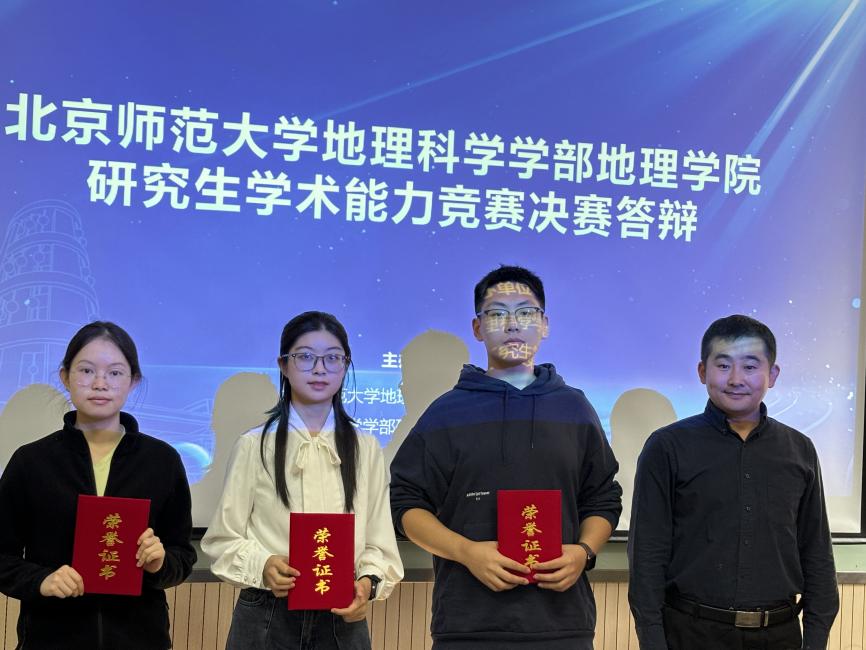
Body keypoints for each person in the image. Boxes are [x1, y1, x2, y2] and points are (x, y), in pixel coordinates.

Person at [389, 265, 622, 649]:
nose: (513, 324)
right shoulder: (446, 412)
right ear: (478, 328)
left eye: (525, 313)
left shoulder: (575, 409)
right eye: (497, 314)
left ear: (544, 325)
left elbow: (603, 497)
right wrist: (466, 552)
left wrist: (583, 552)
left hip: (563, 624)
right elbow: (406, 504)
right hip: (467, 625)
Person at [628, 314, 839, 650]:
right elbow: (647, 557)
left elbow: (817, 554)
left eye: (750, 366)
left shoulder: (799, 450)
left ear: (772, 374)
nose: (736, 379)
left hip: (780, 635)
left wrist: (815, 640)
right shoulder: (667, 447)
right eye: (723, 365)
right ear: (702, 371)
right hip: (691, 633)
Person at [202, 311, 403, 650]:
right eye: (306, 357)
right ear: (284, 365)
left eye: (332, 358)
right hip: (267, 610)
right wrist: (263, 565)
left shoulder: (365, 447)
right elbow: (222, 539)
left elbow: (379, 541)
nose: (319, 369)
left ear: (346, 365)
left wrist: (368, 584)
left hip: (341, 613)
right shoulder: (254, 444)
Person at [0, 321, 196, 649]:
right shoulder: (31, 461)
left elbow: (183, 555)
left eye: (115, 373)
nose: (100, 383)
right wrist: (41, 580)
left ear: (133, 381)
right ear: (65, 376)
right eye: (87, 370)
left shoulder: (162, 461)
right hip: (51, 637)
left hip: (140, 638)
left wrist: (160, 563)